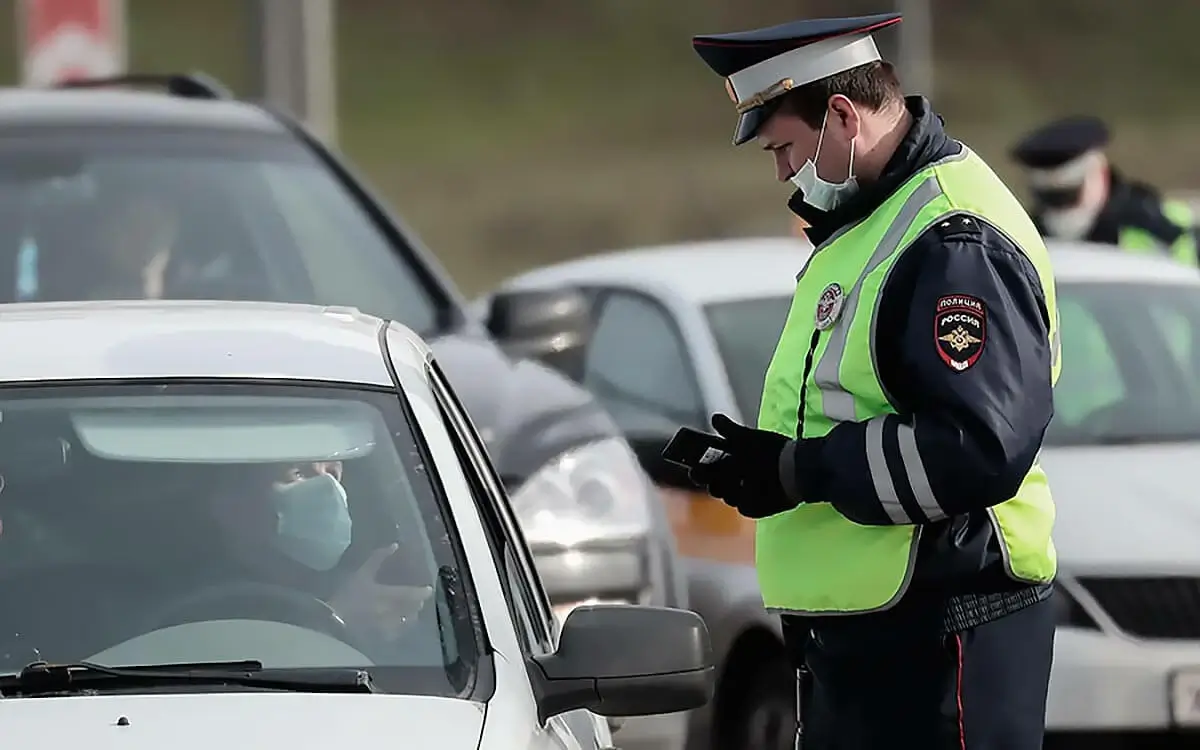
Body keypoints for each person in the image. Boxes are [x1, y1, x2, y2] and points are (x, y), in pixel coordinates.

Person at [689, 13, 1058, 750]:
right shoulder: (874, 218)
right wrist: (770, 462)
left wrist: (801, 472)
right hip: (876, 641)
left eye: (784, 148)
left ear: (841, 116)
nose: (781, 172)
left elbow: (976, 445)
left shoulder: (953, 238)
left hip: (943, 627)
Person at [205, 460, 432, 646]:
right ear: (230, 503)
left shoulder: (372, 587)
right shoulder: (199, 608)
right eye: (299, 473)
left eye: (332, 471)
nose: (328, 487)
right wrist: (340, 620)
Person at [1010, 115, 1199, 265]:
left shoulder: (1164, 227)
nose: (1060, 209)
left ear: (1099, 174)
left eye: (1069, 195)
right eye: (1050, 198)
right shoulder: (1023, 240)